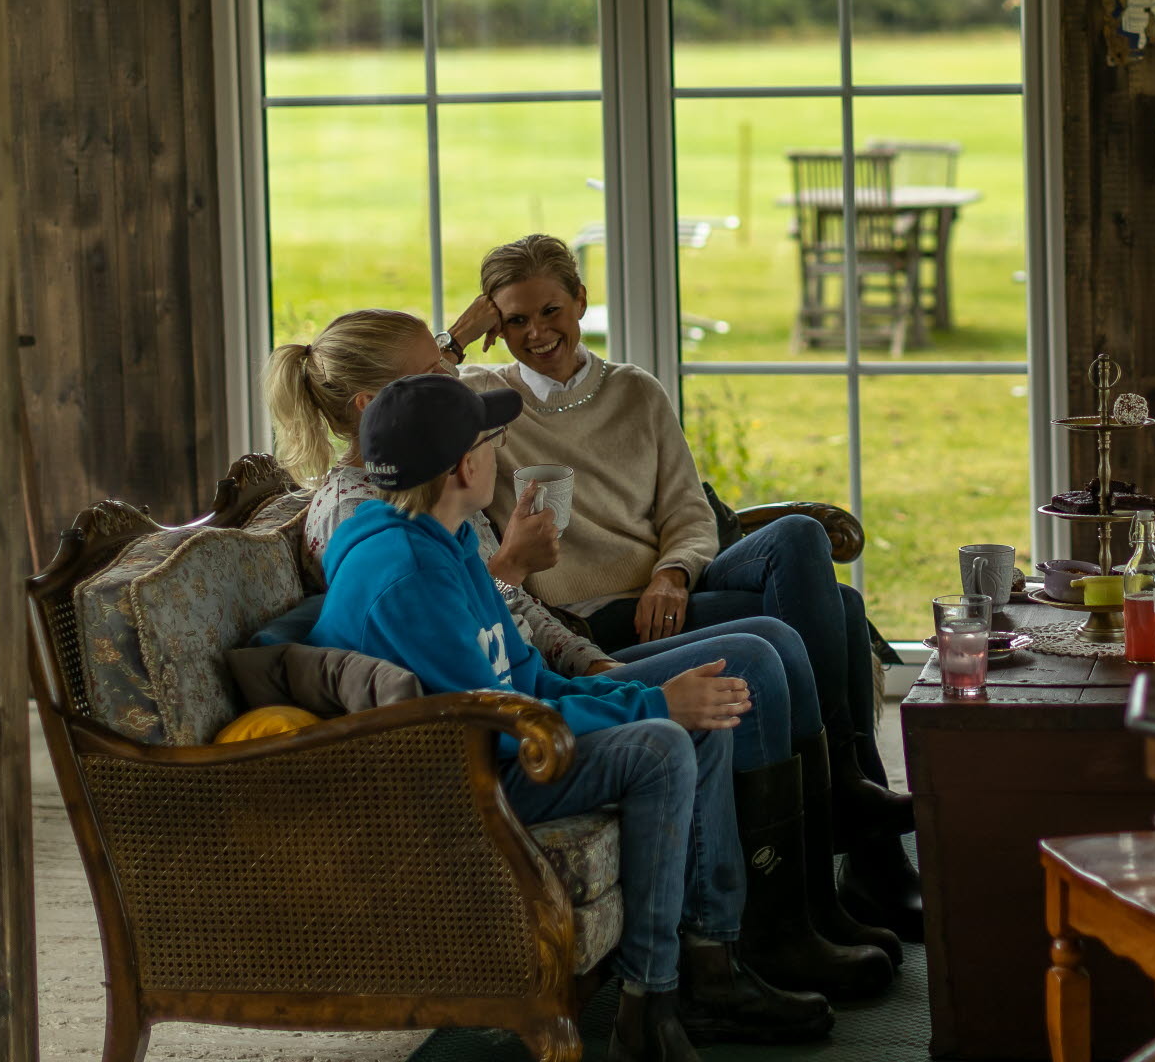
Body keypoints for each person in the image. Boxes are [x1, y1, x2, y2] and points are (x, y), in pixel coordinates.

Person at [267, 309, 894, 993]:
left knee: (818, 601)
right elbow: (469, 664)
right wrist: (614, 670)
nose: (456, 378)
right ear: (385, 409)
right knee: (749, 658)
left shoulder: (431, 507)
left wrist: (599, 661)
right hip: (489, 732)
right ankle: (761, 936)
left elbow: (510, 637)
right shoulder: (384, 532)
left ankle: (804, 899)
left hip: (552, 663)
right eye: (437, 375)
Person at [306, 372, 829, 1062]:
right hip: (461, 780)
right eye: (492, 441)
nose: (497, 453)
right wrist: (650, 706)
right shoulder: (405, 574)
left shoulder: (449, 540)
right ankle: (651, 1005)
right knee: (663, 745)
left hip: (500, 740)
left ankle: (713, 966)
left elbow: (524, 676)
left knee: (697, 714)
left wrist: (648, 695)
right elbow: (501, 721)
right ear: (467, 467)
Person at [452, 234, 922, 939]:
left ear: (582, 300)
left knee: (801, 540)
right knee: (838, 611)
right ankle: (862, 837)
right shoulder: (484, 401)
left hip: (663, 598)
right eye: (514, 320)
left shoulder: (635, 390)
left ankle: (851, 804)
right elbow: (387, 418)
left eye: (551, 310)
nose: (536, 333)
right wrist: (457, 338)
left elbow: (686, 513)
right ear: (495, 322)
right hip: (585, 620)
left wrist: (673, 572)